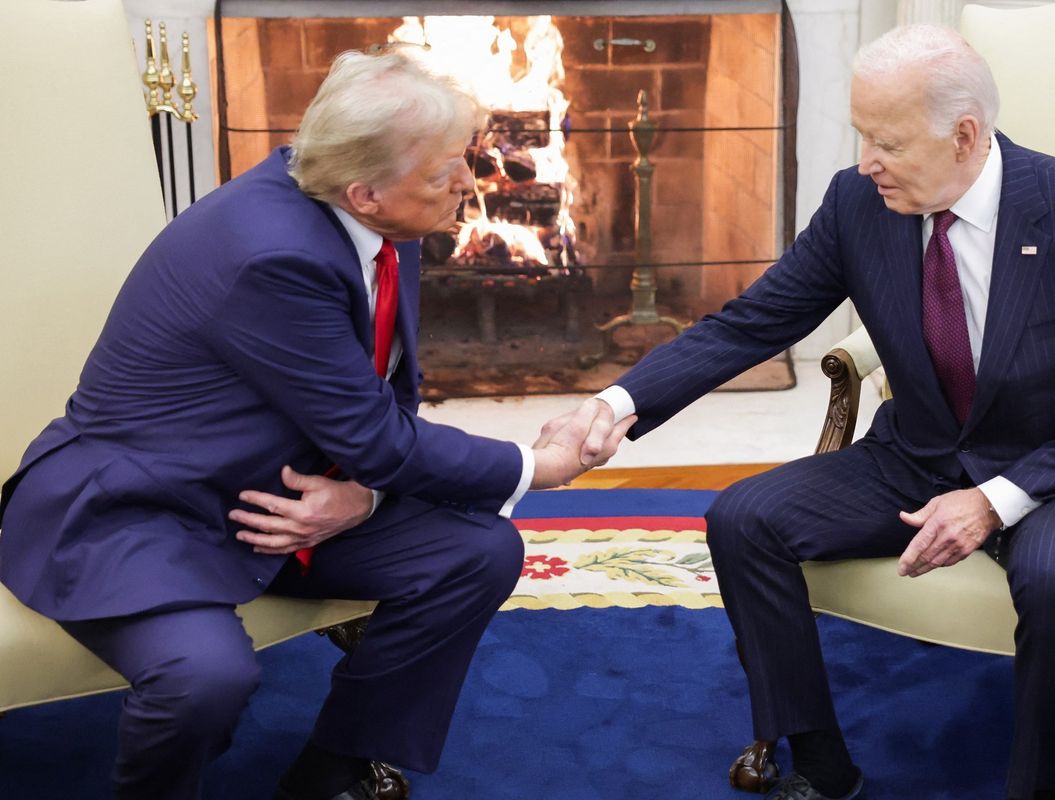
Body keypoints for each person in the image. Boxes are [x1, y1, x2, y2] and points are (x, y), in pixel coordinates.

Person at [545, 24, 1055, 800]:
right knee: (746, 518)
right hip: (916, 453)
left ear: (964, 137)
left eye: (888, 142)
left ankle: (1032, 786)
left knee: (1050, 580)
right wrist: (613, 403)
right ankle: (821, 765)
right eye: (860, 137)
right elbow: (755, 322)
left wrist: (992, 501)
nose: (866, 161)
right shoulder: (859, 203)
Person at [0, 50, 631, 800]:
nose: (468, 183)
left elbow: (381, 402)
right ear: (364, 191)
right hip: (147, 509)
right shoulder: (274, 255)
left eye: (461, 160)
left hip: (275, 493)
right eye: (445, 172)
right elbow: (375, 434)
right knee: (205, 679)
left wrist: (365, 498)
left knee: (476, 552)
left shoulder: (371, 210)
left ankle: (331, 772)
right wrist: (536, 464)